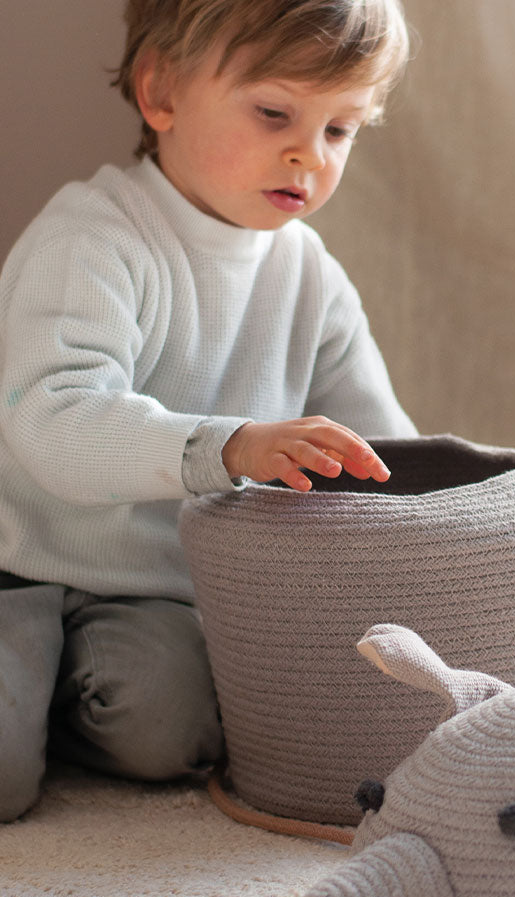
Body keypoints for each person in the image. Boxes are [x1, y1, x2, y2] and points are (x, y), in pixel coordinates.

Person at [0, 0, 417, 822]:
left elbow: (381, 449)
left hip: (151, 590)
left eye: (341, 130)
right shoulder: (92, 238)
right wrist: (227, 448)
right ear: (160, 93)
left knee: (174, 736)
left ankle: (49, 698)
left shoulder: (309, 274)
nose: (309, 153)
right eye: (274, 113)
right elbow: (55, 423)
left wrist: (463, 509)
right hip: (14, 561)